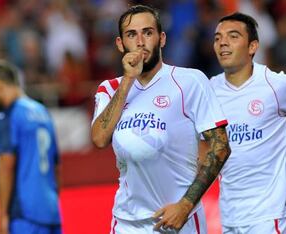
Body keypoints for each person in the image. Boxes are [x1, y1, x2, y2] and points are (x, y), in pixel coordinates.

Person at [90, 5, 231, 234]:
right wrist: (128, 80)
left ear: (161, 39)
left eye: (147, 32)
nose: (140, 41)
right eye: (131, 34)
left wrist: (185, 205)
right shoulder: (111, 88)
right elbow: (99, 138)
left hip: (179, 221)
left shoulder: (190, 81)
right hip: (126, 223)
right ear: (120, 43)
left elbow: (221, 147)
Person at [201, 12, 286, 233]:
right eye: (217, 38)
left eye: (233, 36)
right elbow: (203, 148)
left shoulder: (279, 85)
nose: (223, 43)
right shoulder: (207, 90)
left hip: (270, 214)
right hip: (229, 215)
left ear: (252, 46)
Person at [0, 60, 62, 234]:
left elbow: (6, 166)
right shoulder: (43, 111)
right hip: (51, 212)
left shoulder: (7, 114)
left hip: (25, 214)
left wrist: (3, 215)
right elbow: (56, 166)